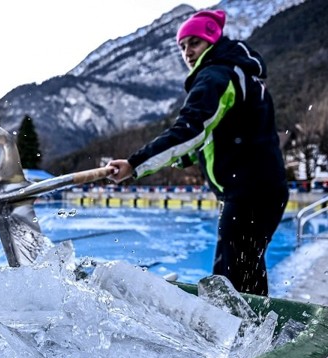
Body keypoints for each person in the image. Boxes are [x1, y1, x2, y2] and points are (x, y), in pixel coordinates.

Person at [106, 9, 289, 296]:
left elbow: (191, 131)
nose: (187, 52)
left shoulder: (217, 75)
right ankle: (253, 330)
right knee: (240, 270)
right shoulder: (240, 73)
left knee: (233, 277)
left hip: (250, 191)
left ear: (211, 41)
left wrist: (134, 164)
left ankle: (242, 333)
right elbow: (219, 135)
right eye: (182, 46)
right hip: (261, 189)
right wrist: (183, 156)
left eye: (195, 43)